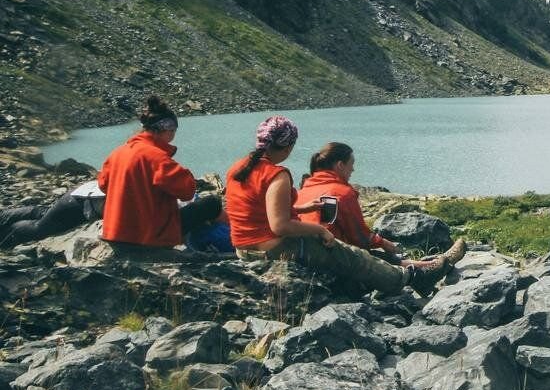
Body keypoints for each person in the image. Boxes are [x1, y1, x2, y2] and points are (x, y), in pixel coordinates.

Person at [225, 117, 464, 296]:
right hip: (272, 248)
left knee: (351, 254)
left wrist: (304, 209)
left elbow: (258, 211)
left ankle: (420, 268)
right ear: (288, 146)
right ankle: (409, 278)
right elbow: (279, 226)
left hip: (243, 249)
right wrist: (319, 230)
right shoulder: (277, 174)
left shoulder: (239, 167)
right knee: (352, 256)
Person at [96, 96, 222, 259]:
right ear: (168, 128)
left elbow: (103, 185)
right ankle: (237, 242)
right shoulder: (156, 157)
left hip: (115, 235)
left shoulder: (118, 153)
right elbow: (187, 190)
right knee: (211, 203)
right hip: (149, 238)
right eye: (174, 130)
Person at [295, 142, 402, 255]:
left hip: (300, 250)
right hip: (330, 253)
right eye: (351, 164)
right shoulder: (342, 193)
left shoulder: (300, 192)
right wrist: (383, 243)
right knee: (401, 266)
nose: (353, 169)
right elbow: (359, 237)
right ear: (340, 165)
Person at [0, 181, 105, 251]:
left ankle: (4, 217)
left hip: (85, 193)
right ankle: (8, 232)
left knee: (46, 215)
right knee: (38, 229)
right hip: (82, 201)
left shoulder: (119, 155)